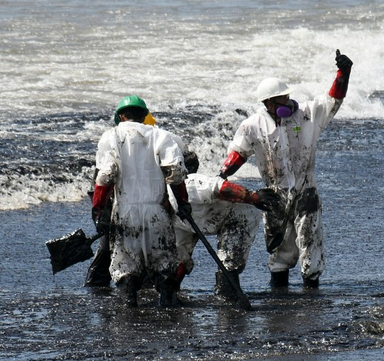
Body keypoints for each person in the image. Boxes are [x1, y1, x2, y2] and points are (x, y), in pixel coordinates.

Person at [218, 49, 353, 289]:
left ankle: (311, 294)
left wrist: (343, 73)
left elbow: (333, 100)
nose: (287, 101)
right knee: (280, 249)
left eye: (287, 95)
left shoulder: (307, 115)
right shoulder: (253, 126)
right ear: (268, 103)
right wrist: (221, 176)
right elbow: (238, 153)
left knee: (310, 242)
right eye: (281, 98)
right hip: (275, 194)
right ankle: (279, 296)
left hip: (306, 190)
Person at [91, 95, 191, 307]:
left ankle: (130, 307)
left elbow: (106, 175)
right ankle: (167, 305)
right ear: (145, 115)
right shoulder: (162, 136)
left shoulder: (111, 136)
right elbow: (176, 172)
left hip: (125, 212)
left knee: (125, 265)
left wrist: (98, 209)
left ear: (121, 116)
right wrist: (182, 202)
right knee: (163, 263)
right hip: (157, 212)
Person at [163, 145, 274, 303]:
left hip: (237, 214)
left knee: (229, 259)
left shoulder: (190, 185)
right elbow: (179, 256)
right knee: (176, 257)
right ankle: (172, 294)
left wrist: (254, 197)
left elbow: (221, 187)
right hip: (198, 219)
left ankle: (228, 294)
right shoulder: (167, 207)